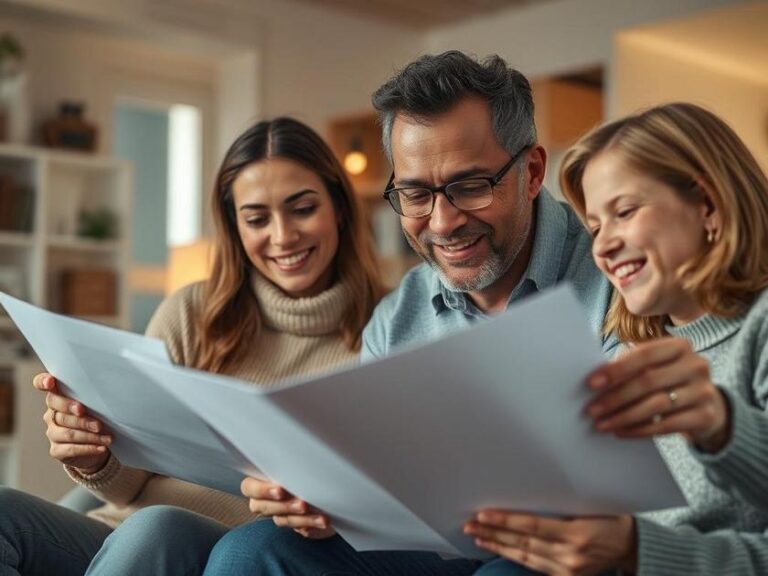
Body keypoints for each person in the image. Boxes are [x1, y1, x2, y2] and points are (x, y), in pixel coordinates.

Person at [202, 50, 614, 576]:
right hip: (441, 550)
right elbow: (381, 485)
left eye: (470, 186)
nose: (442, 223)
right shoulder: (398, 317)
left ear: (532, 172)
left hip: (572, 548)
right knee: (251, 550)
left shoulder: (618, 281)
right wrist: (326, 500)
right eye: (416, 194)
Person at [0, 116, 385, 576]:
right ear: (235, 228)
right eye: (257, 218)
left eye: (302, 209)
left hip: (237, 554)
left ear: (339, 208)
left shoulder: (387, 331)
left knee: (159, 527)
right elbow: (130, 484)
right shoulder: (193, 312)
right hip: (116, 538)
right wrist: (96, 456)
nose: (282, 236)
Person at [464, 102, 768, 575]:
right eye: (596, 225)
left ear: (706, 205)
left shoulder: (761, 327)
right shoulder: (632, 348)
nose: (601, 247)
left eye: (624, 212)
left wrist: (720, 423)